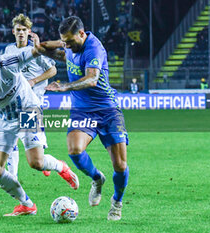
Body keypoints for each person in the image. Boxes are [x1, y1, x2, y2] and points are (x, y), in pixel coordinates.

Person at [0, 44, 79, 216]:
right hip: (3, 119)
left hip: (28, 110)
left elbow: (35, 51)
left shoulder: (8, 63)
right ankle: (26, 204)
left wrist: (60, 43)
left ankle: (60, 167)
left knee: (36, 163)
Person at [33, 16, 129, 221]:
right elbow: (62, 53)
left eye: (69, 41)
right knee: (74, 150)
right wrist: (40, 47)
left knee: (120, 165)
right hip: (82, 110)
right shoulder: (71, 45)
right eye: (63, 41)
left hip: (108, 109)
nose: (66, 45)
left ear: (82, 34)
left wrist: (65, 86)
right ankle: (97, 178)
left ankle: (117, 202)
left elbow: (93, 78)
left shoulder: (94, 48)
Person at [0, 14, 57, 178]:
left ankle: (44, 160)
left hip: (31, 102)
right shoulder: (9, 50)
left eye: (24, 30)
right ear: (13, 31)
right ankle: (13, 175)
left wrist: (34, 80)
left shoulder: (35, 51)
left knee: (35, 149)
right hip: (13, 101)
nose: (21, 33)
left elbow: (52, 70)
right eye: (18, 30)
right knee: (6, 132)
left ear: (29, 32)